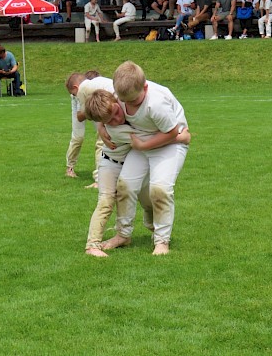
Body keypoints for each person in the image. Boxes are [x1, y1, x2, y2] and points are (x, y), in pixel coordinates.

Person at [91, 61, 189, 256]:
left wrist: (143, 146)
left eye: (134, 102)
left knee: (160, 189)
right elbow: (95, 108)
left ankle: (162, 241)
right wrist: (101, 127)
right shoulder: (120, 90)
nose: (128, 106)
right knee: (125, 185)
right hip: (140, 142)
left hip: (170, 143)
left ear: (144, 87)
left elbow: (172, 133)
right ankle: (123, 235)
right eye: (124, 102)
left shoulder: (156, 103)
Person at [64, 72, 107, 187]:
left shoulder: (98, 89)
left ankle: (103, 175)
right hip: (84, 110)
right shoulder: (79, 94)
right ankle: (70, 167)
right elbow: (80, 116)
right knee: (78, 137)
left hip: (95, 103)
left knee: (102, 138)